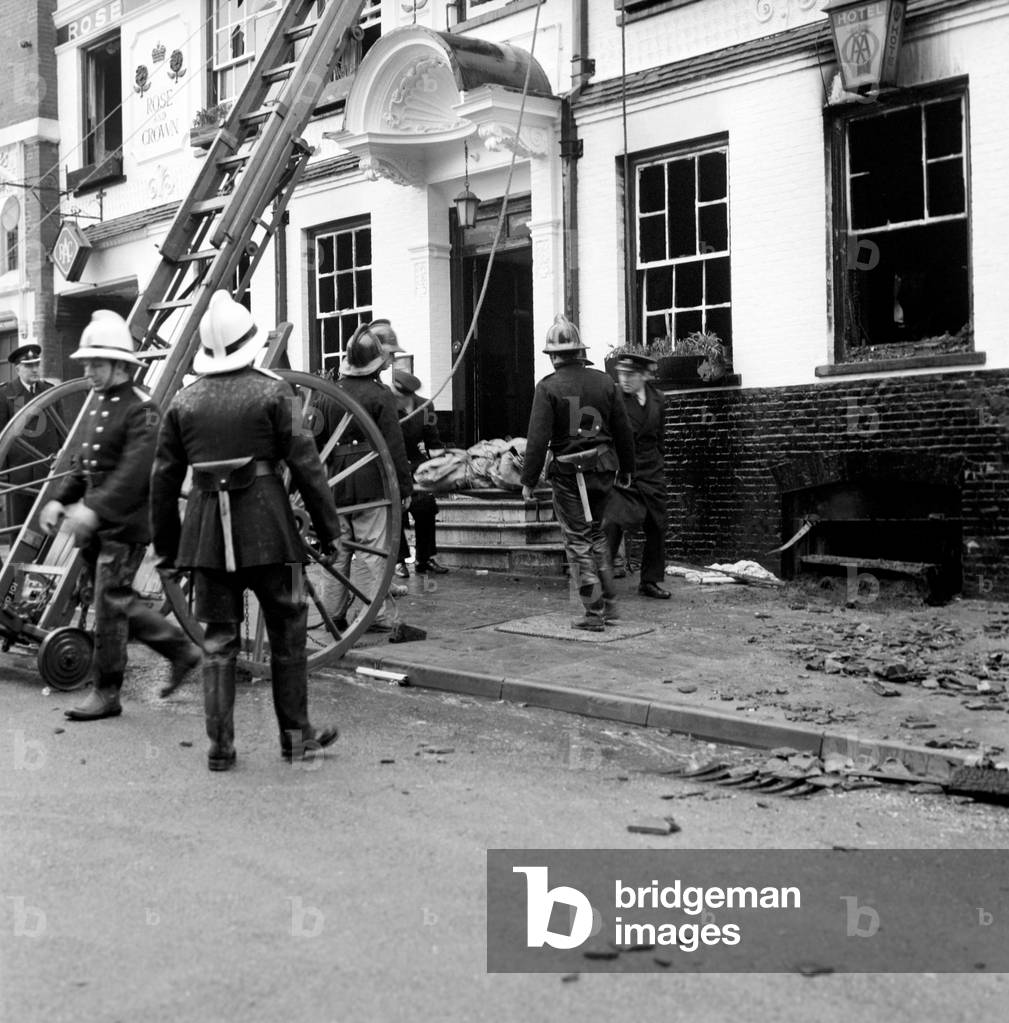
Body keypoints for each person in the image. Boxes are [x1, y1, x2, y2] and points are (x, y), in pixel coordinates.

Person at [150, 292, 344, 770]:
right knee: (288, 631)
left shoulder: (183, 400)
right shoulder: (274, 392)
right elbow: (306, 465)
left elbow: (162, 481)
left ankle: (220, 747)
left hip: (205, 539)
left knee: (217, 641)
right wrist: (329, 529)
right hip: (270, 530)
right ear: (249, 343)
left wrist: (169, 549)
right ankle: (296, 739)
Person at [39, 312, 202, 722]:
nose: (88, 371)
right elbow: (85, 464)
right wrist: (61, 499)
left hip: (124, 525)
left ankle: (110, 690)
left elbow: (134, 473)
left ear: (120, 365)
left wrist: (92, 509)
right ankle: (178, 650)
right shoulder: (102, 404)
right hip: (100, 527)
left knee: (111, 604)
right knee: (113, 603)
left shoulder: (141, 410)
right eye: (87, 364)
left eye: (96, 364)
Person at [521, 314, 635, 631]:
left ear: (554, 355)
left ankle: (593, 613)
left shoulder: (547, 388)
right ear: (580, 352)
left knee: (577, 541)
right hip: (603, 468)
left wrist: (528, 481)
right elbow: (624, 432)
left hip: (568, 473)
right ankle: (609, 606)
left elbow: (537, 439)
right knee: (598, 537)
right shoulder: (605, 382)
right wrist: (627, 469)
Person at [314, 325, 413, 632]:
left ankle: (333, 612)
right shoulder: (380, 395)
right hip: (372, 480)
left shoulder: (327, 393)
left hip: (336, 482)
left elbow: (316, 444)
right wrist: (405, 487)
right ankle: (377, 614)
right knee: (373, 551)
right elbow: (393, 445)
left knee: (339, 550)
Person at [603, 354, 671, 599]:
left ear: (644, 375)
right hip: (624, 474)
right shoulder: (614, 398)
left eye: (630, 375)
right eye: (621, 374)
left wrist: (658, 463)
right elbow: (598, 429)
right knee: (612, 523)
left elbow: (660, 437)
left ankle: (649, 581)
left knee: (657, 525)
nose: (625, 379)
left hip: (651, 472)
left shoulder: (659, 400)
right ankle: (600, 580)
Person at [392, 368, 448, 578]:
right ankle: (398, 560)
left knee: (426, 506)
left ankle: (424, 558)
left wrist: (442, 463)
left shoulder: (426, 406)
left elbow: (433, 440)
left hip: (416, 464)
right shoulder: (387, 406)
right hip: (392, 463)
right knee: (396, 511)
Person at [0, 343, 60, 530]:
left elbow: (61, 430)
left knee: (49, 527)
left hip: (48, 470)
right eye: (28, 366)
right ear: (18, 369)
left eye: (36, 364)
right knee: (20, 527)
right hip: (20, 475)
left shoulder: (50, 391)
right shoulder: (5, 394)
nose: (35, 369)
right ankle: (18, 560)